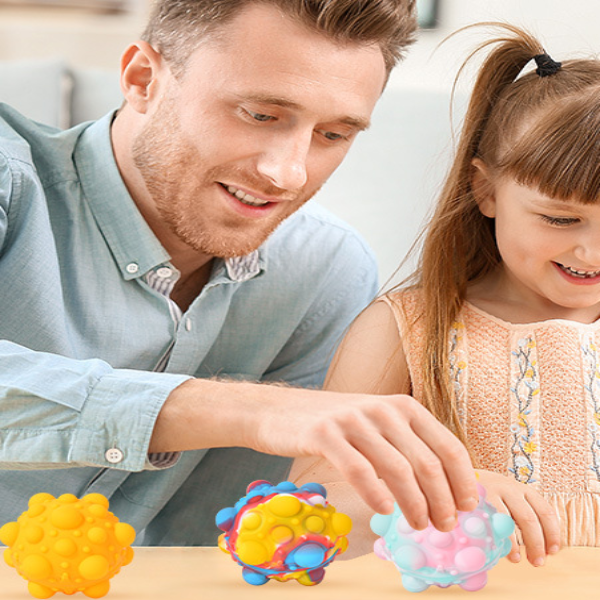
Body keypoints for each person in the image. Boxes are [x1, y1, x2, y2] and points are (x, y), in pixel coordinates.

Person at [0, 0, 479, 545]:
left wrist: (456, 501)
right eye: (260, 115)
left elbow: (255, 533)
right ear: (142, 79)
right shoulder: (10, 179)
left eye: (333, 135)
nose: (287, 173)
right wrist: (249, 407)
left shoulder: (325, 274)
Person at [291, 21, 600, 567]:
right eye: (560, 218)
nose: (592, 252)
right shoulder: (404, 328)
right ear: (485, 191)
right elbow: (314, 495)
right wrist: (452, 490)